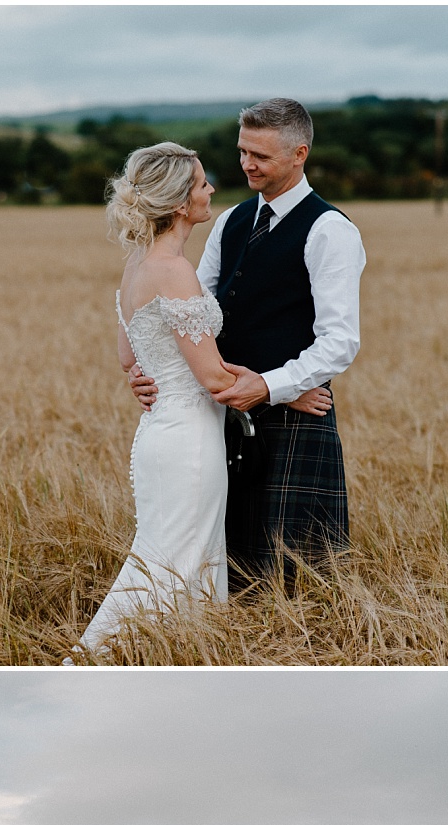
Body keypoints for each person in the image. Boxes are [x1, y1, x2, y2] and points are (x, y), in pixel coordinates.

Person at [69, 143, 331, 661]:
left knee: (171, 555)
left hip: (159, 435)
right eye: (201, 183)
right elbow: (212, 378)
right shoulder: (173, 270)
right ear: (178, 202)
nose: (211, 189)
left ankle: (171, 658)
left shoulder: (137, 264)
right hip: (189, 443)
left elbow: (129, 358)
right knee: (177, 561)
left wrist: (149, 377)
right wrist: (288, 390)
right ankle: (96, 661)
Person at [128, 99, 366, 587]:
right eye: (242, 151)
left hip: (295, 417)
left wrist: (273, 387)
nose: (246, 164)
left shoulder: (330, 230)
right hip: (224, 413)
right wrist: (147, 368)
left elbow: (340, 340)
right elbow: (189, 313)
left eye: (260, 155)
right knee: (229, 569)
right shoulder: (231, 220)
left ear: (299, 154)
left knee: (295, 576)